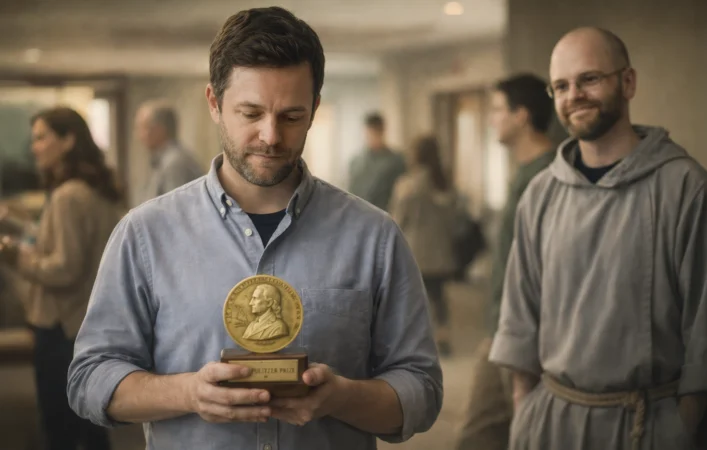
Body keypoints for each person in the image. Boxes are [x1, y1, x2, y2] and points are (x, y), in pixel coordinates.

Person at [67, 7, 442, 450]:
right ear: (214, 103)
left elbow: (422, 389)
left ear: (315, 109)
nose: (271, 136)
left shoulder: (374, 236)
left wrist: (343, 397)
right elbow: (90, 379)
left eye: (291, 116)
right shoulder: (145, 234)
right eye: (251, 113)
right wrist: (188, 393)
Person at [489, 27, 707, 450]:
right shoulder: (541, 194)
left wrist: (681, 426)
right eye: (562, 86)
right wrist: (525, 414)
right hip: (552, 423)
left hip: (647, 426)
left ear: (628, 82)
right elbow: (519, 320)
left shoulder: (685, 186)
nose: (575, 95)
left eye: (589, 79)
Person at [0, 107, 124, 450]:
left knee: (62, 429)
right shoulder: (88, 190)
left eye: (41, 137)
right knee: (88, 425)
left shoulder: (69, 195)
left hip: (61, 328)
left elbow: (63, 270)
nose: (34, 147)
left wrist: (12, 256)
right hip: (81, 323)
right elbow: (54, 242)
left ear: (68, 141)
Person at [454, 73, 555, 450]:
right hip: (500, 327)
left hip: (525, 335)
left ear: (522, 116)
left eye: (498, 109)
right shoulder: (525, 173)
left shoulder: (547, 174)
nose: (492, 118)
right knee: (478, 436)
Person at [389, 135, 458, 356]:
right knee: (438, 296)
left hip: (415, 250)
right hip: (440, 251)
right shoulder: (444, 183)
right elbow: (455, 218)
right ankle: (443, 335)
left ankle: (417, 342)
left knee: (413, 297)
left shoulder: (407, 184)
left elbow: (397, 219)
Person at [134, 99, 203, 204]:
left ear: (160, 129)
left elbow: (175, 213)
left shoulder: (174, 164)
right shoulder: (165, 160)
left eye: (143, 128)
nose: (139, 136)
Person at [347, 112, 406, 211]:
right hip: (359, 214)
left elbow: (401, 194)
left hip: (386, 215)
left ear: (382, 131)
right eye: (369, 133)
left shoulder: (395, 161)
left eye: (375, 133)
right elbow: (351, 192)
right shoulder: (356, 162)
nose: (372, 138)